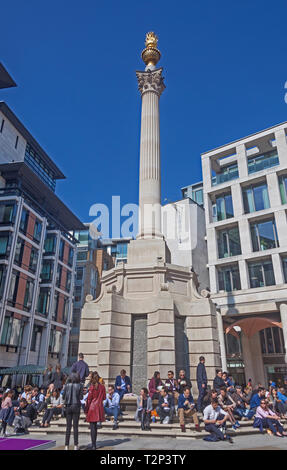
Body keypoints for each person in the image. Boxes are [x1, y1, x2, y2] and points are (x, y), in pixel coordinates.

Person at [85, 371, 106, 450]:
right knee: (95, 427)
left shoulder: (91, 387)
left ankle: (93, 444)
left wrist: (86, 409)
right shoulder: (102, 387)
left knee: (92, 427)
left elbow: (89, 399)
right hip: (99, 407)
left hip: (92, 407)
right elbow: (104, 397)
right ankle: (94, 444)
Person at [62, 372, 83, 450]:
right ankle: (75, 445)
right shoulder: (80, 385)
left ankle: (66, 445)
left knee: (68, 427)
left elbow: (64, 396)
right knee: (75, 427)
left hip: (68, 405)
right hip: (76, 405)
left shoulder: (67, 385)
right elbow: (81, 397)